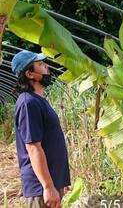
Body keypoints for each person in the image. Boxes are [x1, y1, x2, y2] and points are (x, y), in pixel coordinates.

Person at [11, 50, 70, 208]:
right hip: (40, 187)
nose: (47, 67)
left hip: (50, 181)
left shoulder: (38, 101)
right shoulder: (28, 103)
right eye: (41, 64)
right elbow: (33, 147)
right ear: (30, 74)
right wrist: (48, 186)